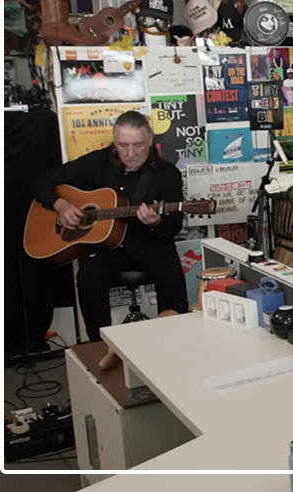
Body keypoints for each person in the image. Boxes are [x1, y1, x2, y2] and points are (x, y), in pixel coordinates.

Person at [31, 111, 189, 343]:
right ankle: (100, 348)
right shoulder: (97, 163)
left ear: (149, 141)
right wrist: (62, 205)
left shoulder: (168, 174)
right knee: (89, 277)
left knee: (171, 276)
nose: (131, 153)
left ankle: (177, 343)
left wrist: (157, 223)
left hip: (151, 246)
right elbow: (38, 182)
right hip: (107, 249)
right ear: (115, 143)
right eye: (123, 145)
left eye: (138, 145)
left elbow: (173, 225)